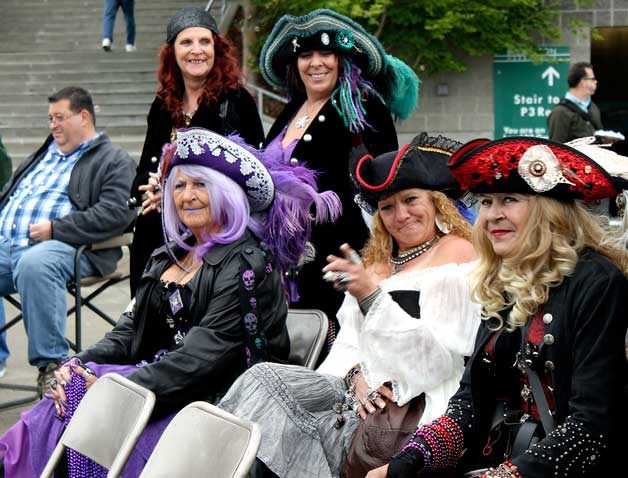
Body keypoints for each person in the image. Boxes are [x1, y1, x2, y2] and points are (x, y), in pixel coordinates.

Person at [0, 126, 342, 477]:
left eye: (200, 185)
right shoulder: (168, 257)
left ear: (226, 193)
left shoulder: (247, 263)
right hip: (161, 390)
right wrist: (76, 366)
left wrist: (117, 387)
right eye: (179, 185)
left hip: (216, 405)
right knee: (67, 395)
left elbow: (202, 358)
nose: (187, 196)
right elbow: (127, 334)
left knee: (95, 401)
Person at [219, 133, 481, 478]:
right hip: (354, 399)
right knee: (262, 387)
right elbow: (347, 344)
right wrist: (355, 375)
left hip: (416, 408)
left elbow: (437, 360)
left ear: (436, 203)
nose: (401, 214)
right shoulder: (373, 264)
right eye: (387, 207)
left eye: (411, 199)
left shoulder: (458, 253)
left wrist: (372, 297)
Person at [373, 136, 628, 478]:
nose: (492, 215)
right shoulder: (503, 282)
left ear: (548, 209)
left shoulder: (597, 281)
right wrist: (409, 460)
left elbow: (590, 427)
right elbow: (469, 402)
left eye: (509, 199)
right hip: (498, 457)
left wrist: (501, 477)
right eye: (487, 202)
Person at [259, 8, 418, 326]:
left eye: (326, 53)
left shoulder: (362, 105)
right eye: (305, 55)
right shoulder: (291, 108)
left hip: (338, 254)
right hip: (280, 260)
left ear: (342, 60)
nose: (315, 62)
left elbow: (384, 184)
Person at [0, 86, 135, 395]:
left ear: (84, 117)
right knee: (32, 262)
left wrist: (57, 228)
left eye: (59, 117)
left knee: (36, 263)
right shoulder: (43, 155)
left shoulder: (113, 159)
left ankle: (52, 367)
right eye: (50, 119)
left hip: (71, 249)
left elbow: (116, 214)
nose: (53, 125)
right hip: (8, 247)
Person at [128, 5, 264, 296]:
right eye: (186, 42)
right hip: (160, 228)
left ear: (217, 48)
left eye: (205, 41)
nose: (197, 50)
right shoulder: (163, 105)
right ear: (172, 53)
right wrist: (153, 187)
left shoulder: (237, 101)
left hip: (214, 230)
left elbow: (256, 175)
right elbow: (143, 170)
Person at [548, 62, 603, 143]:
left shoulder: (593, 108)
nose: (596, 82)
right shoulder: (560, 112)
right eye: (592, 79)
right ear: (582, 81)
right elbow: (556, 148)